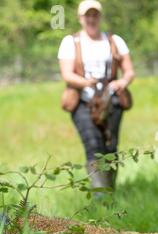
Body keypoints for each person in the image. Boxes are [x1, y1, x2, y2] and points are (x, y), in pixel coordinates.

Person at [58, 0, 135, 190]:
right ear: (80, 18)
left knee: (111, 147)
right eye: (87, 15)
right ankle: (100, 195)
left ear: (99, 17)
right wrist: (86, 82)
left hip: (111, 101)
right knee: (93, 145)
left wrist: (122, 82)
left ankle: (110, 190)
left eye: (95, 15)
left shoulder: (114, 40)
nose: (91, 19)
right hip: (84, 101)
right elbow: (67, 74)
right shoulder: (71, 42)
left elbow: (129, 71)